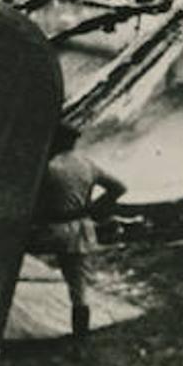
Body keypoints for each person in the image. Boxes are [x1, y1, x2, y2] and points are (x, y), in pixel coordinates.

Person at [31, 127, 127, 339]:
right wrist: (92, 208)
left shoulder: (49, 166)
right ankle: (80, 342)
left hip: (52, 230)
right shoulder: (87, 164)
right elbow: (119, 188)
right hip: (80, 231)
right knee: (78, 289)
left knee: (12, 252)